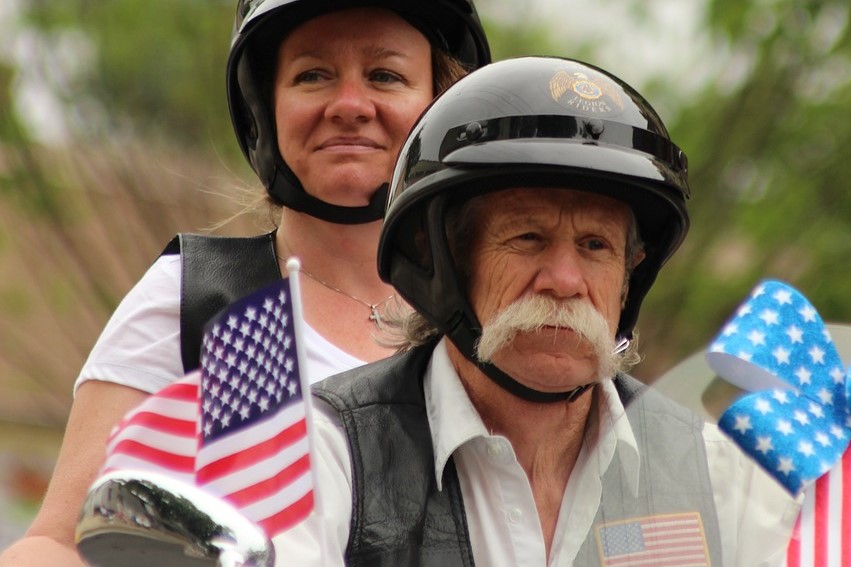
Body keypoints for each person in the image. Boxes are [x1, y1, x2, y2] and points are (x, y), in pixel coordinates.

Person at [0, 1, 490, 565]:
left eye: (385, 75)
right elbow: (53, 544)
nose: (350, 105)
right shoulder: (199, 298)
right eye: (313, 75)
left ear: (442, 100)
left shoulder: (489, 313)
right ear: (264, 106)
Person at [276, 56, 802, 566]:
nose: (566, 281)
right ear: (450, 263)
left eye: (596, 246)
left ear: (629, 275)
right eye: (529, 237)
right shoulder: (326, 452)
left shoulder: (715, 473)